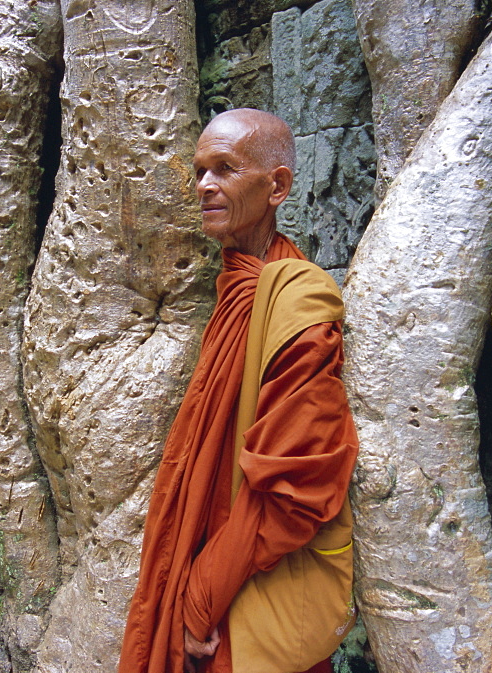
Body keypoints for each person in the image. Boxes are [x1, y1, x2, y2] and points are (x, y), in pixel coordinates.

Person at [119, 109, 360, 673]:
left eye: (225, 169)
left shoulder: (299, 298)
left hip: (252, 579)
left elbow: (299, 479)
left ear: (277, 185)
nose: (204, 185)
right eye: (200, 171)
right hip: (213, 558)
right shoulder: (236, 285)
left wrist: (200, 596)